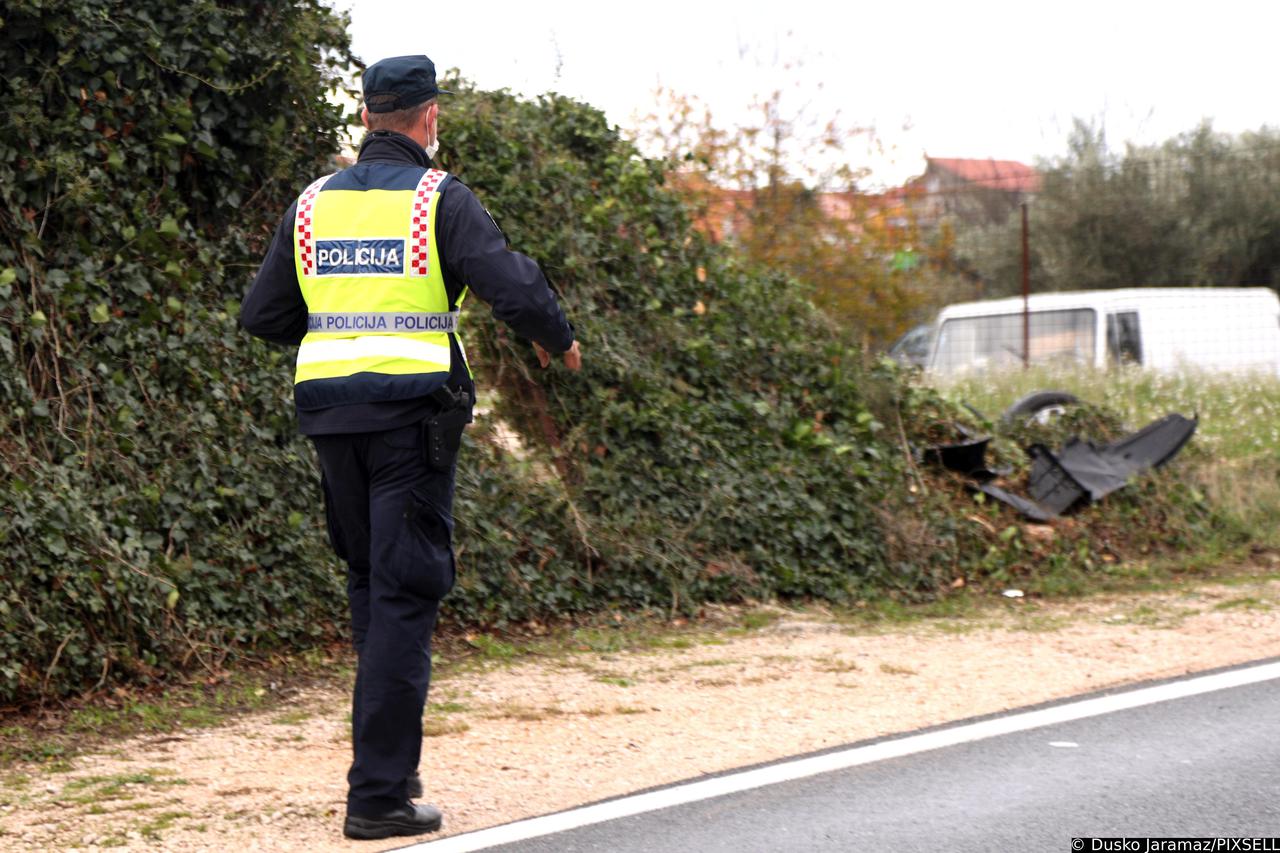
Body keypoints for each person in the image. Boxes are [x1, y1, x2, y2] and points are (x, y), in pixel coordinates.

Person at [240, 54, 581, 841]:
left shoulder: (311, 204)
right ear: (430, 118)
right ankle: (379, 795)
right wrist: (556, 340)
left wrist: (342, 331)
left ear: (366, 118)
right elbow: (513, 283)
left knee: (371, 583)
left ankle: (390, 768)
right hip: (410, 420)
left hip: (330, 416)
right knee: (404, 590)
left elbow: (262, 315)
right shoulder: (439, 197)